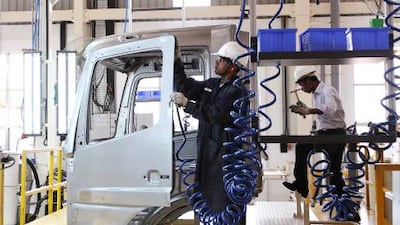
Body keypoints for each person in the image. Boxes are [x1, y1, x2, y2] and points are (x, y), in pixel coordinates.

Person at [171, 41, 247, 225]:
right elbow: (186, 86)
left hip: (225, 160)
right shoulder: (213, 85)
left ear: (232, 67)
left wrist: (187, 104)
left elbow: (216, 114)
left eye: (221, 60)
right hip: (208, 155)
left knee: (225, 206)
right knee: (206, 202)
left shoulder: (237, 91)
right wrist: (176, 61)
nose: (217, 62)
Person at [283, 66, 347, 200]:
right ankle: (301, 185)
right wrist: (307, 110)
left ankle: (344, 207)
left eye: (301, 84)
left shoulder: (327, 91)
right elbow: (323, 113)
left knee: (334, 172)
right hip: (325, 134)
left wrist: (309, 111)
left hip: (335, 135)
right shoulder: (317, 94)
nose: (301, 88)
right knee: (302, 147)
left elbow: (330, 109)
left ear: (309, 80)